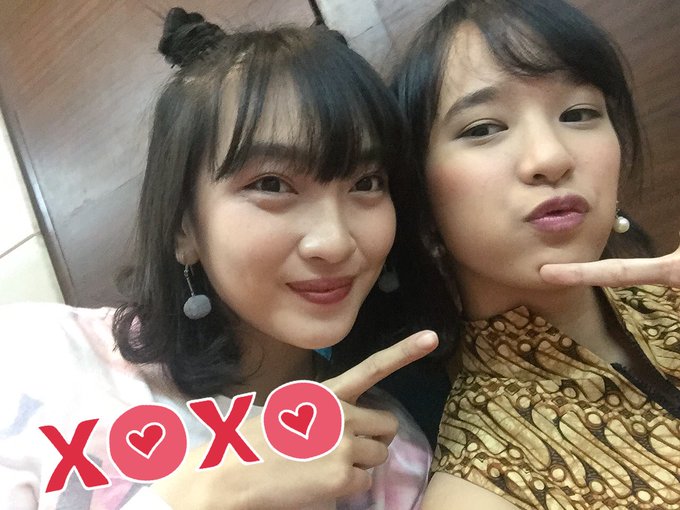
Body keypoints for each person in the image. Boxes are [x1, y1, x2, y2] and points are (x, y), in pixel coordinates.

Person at [0, 8, 439, 509]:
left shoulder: (390, 455)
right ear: (183, 227)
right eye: (271, 184)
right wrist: (213, 490)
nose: (335, 241)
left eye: (366, 183)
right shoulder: (34, 356)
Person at [392, 0, 680, 508]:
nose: (550, 157)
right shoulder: (481, 486)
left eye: (579, 114)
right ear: (421, 199)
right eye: (483, 128)